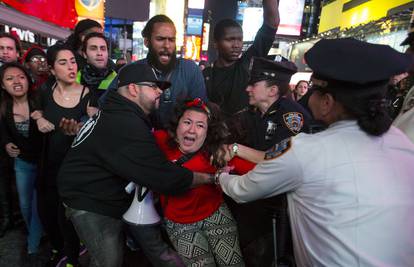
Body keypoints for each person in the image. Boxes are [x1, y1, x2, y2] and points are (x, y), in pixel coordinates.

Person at [218, 38, 414, 266]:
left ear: (327, 102)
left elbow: (243, 190)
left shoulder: (305, 151)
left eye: (313, 89)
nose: (308, 95)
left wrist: (220, 177)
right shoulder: (401, 141)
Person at [57, 63, 215, 267]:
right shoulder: (125, 123)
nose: (160, 92)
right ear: (133, 89)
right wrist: (210, 178)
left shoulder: (119, 112)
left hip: (99, 194)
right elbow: (164, 177)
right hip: (89, 201)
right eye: (153, 86)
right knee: (108, 261)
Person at [226, 57, 310, 266]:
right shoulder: (254, 112)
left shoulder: (292, 116)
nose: (247, 89)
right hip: (253, 201)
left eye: (253, 84)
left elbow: (275, 159)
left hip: (278, 209)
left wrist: (236, 149)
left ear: (272, 90)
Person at [154, 99, 246, 266]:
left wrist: (236, 149)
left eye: (200, 125)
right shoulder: (160, 141)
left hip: (215, 215)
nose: (191, 129)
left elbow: (259, 168)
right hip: (179, 223)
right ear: (177, 125)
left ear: (207, 132)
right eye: (187, 122)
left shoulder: (217, 152)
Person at [34, 43, 96, 267]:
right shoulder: (45, 91)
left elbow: (95, 132)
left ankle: (72, 257)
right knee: (49, 214)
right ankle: (61, 251)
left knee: (68, 218)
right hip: (49, 166)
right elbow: (35, 108)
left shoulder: (88, 96)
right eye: (63, 62)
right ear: (51, 70)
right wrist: (38, 118)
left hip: (74, 171)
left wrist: (83, 128)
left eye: (72, 61)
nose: (71, 66)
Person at [105, 14, 207, 129]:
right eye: (160, 39)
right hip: (139, 140)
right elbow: (107, 105)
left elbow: (201, 113)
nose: (167, 45)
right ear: (146, 41)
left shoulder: (190, 70)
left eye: (171, 40)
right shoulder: (131, 71)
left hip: (177, 143)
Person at [203, 0, 279, 117]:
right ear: (216, 43)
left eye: (239, 39)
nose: (236, 45)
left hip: (244, 133)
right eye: (230, 39)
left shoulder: (246, 63)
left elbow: (272, 23)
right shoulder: (205, 76)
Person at [0, 62, 43, 266]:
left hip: (45, 164)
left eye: (21, 77)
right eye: (10, 78)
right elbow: (3, 133)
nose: (16, 81)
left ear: (28, 80)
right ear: (2, 85)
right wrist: (7, 144)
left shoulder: (39, 101)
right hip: (23, 164)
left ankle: (33, 247)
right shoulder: (3, 107)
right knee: (25, 206)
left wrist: (42, 118)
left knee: (37, 206)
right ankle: (37, 233)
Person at [0, 32, 21, 238]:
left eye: (9, 48)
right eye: (1, 48)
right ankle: (7, 217)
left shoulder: (25, 78)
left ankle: (18, 216)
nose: (5, 52)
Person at [77, 32, 117, 106]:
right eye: (93, 48)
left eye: (103, 49)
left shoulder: (117, 80)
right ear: (84, 54)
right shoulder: (74, 78)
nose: (99, 53)